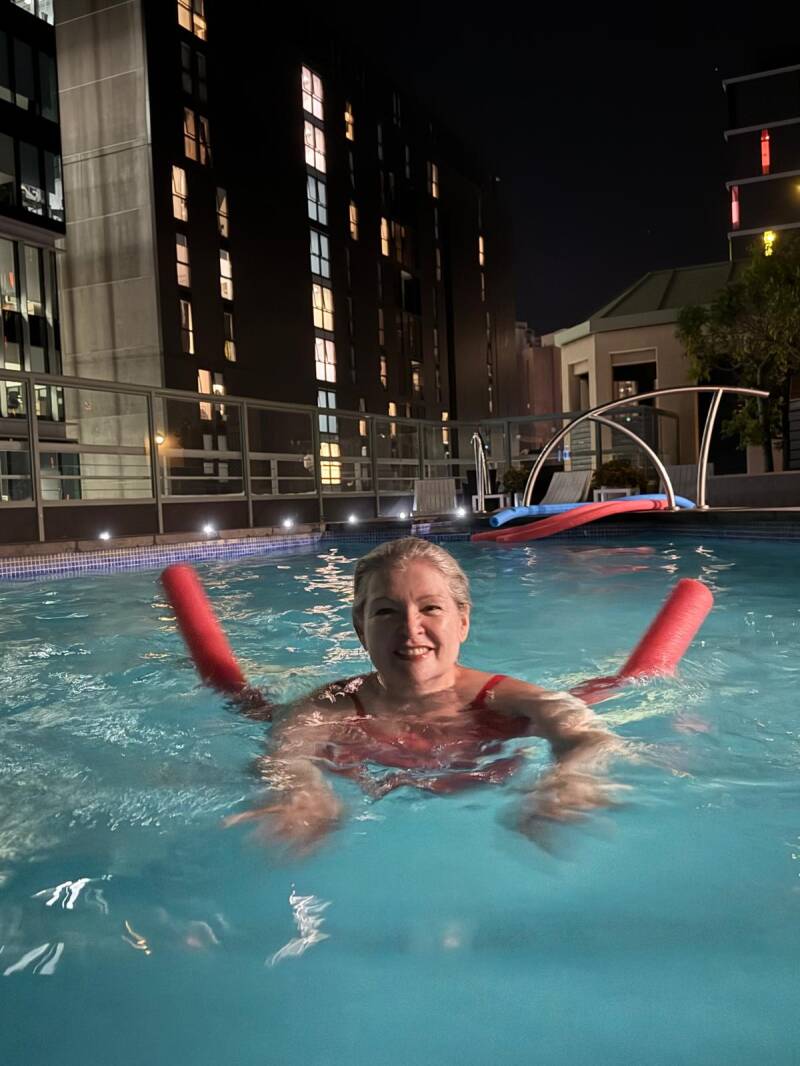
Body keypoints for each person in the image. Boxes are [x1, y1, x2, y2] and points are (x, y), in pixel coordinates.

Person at [225, 537, 626, 852]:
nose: (410, 628)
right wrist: (300, 789)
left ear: (462, 621)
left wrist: (573, 777)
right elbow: (284, 753)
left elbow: (587, 735)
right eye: (386, 611)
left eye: (430, 608)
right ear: (361, 628)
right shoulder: (329, 707)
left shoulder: (502, 698)